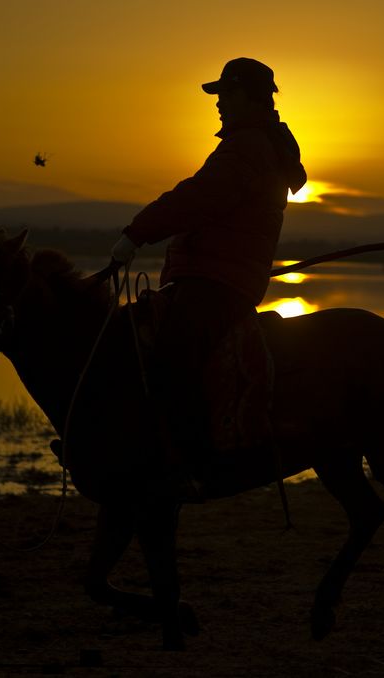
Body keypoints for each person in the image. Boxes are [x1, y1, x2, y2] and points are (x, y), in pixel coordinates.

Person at [109, 57, 307, 499]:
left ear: (249, 97)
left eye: (225, 94)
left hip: (217, 283)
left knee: (171, 361)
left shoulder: (248, 147)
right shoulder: (253, 143)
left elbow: (199, 198)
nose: (217, 104)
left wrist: (135, 234)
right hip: (213, 277)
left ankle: (194, 464)